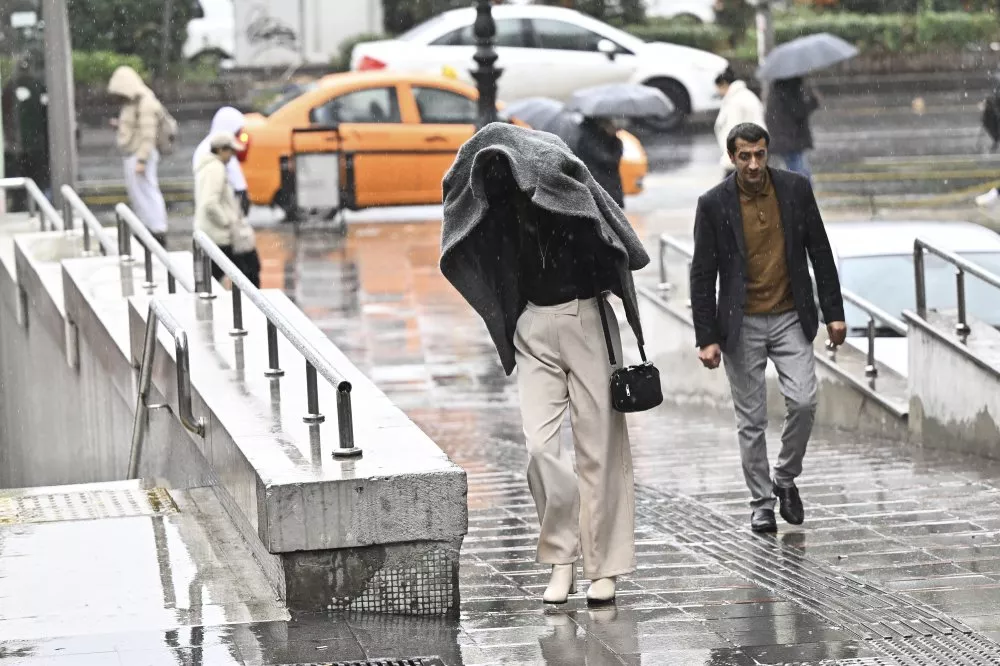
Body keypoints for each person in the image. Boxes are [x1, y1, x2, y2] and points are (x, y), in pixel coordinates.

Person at [440, 122, 650, 605]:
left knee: (600, 448)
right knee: (539, 446)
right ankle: (561, 558)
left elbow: (618, 243)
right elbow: (456, 189)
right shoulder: (498, 207)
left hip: (587, 320)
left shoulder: (570, 195)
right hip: (533, 326)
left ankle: (604, 567)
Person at [689, 122, 846, 534]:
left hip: (791, 314)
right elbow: (702, 274)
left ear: (767, 152)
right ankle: (761, 503)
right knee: (751, 420)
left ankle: (785, 477)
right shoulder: (713, 204)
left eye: (760, 154)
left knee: (804, 402)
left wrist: (834, 312)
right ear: (732, 157)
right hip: (741, 324)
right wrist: (706, 337)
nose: (754, 164)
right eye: (745, 156)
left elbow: (820, 252)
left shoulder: (795, 190)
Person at [107, 65, 169, 246]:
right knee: (140, 194)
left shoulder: (145, 102)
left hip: (141, 154)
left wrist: (141, 159)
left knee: (147, 192)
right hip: (136, 154)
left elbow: (148, 135)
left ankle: (157, 229)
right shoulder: (134, 102)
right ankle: (147, 227)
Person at [195, 131, 261, 287]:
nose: (232, 156)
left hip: (213, 233)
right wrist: (227, 222)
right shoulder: (216, 168)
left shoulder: (208, 167)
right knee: (249, 271)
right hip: (221, 235)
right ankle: (251, 301)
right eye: (230, 151)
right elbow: (210, 203)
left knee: (212, 277)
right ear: (220, 149)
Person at [193, 106, 251, 217]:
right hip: (216, 217)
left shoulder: (211, 148)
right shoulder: (214, 156)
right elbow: (210, 202)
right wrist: (225, 221)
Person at [765, 77, 820, 180]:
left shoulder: (777, 88)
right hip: (791, 139)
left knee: (797, 169)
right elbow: (799, 111)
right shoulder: (789, 88)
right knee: (799, 171)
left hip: (784, 138)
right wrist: (813, 101)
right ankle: (802, 190)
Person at [714, 67, 764, 175]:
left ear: (724, 84)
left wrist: (729, 158)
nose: (718, 92)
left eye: (718, 88)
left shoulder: (734, 101)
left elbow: (732, 129)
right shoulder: (746, 95)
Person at [575, 116, 625, 209]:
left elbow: (614, 160)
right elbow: (605, 159)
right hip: (600, 183)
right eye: (611, 124)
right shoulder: (590, 138)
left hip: (610, 185)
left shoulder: (614, 141)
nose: (615, 128)